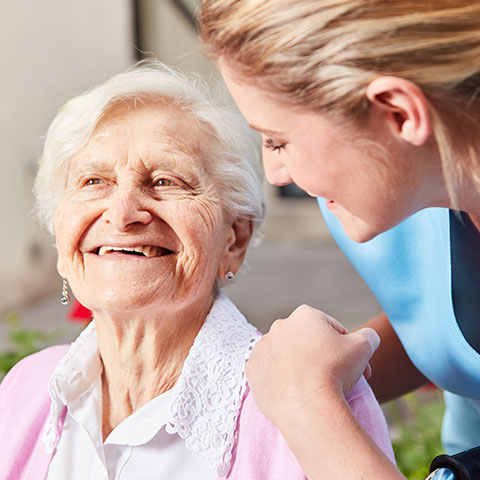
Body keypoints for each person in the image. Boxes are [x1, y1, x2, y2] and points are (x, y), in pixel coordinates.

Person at [0, 62, 393, 480]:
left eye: (166, 181)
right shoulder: (28, 387)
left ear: (234, 239)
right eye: (93, 182)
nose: (122, 213)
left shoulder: (315, 399)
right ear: (61, 239)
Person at [199, 0, 480, 478]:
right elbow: (446, 328)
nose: (274, 172)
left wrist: (307, 401)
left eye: (278, 139)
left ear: (397, 113)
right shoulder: (397, 198)